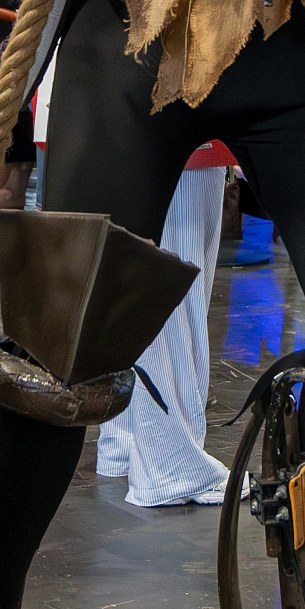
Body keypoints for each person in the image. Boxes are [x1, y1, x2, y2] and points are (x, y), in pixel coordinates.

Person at [94, 162, 233, 507]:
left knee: (130, 267)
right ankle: (171, 464)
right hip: (180, 124)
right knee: (177, 279)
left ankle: (125, 441)